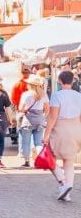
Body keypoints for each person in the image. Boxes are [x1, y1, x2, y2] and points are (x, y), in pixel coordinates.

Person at [43, 69, 81, 201]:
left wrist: (46, 134)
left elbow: (53, 117)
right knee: (69, 162)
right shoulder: (78, 95)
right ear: (72, 81)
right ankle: (67, 191)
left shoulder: (57, 95)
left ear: (60, 81)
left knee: (49, 158)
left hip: (61, 129)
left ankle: (63, 183)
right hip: (76, 129)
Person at [18, 74, 49, 167]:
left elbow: (21, 108)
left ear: (30, 84)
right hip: (39, 120)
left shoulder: (26, 94)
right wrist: (43, 116)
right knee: (38, 142)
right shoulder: (43, 94)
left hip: (28, 120)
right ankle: (39, 160)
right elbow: (47, 108)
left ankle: (27, 161)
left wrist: (25, 110)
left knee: (26, 142)